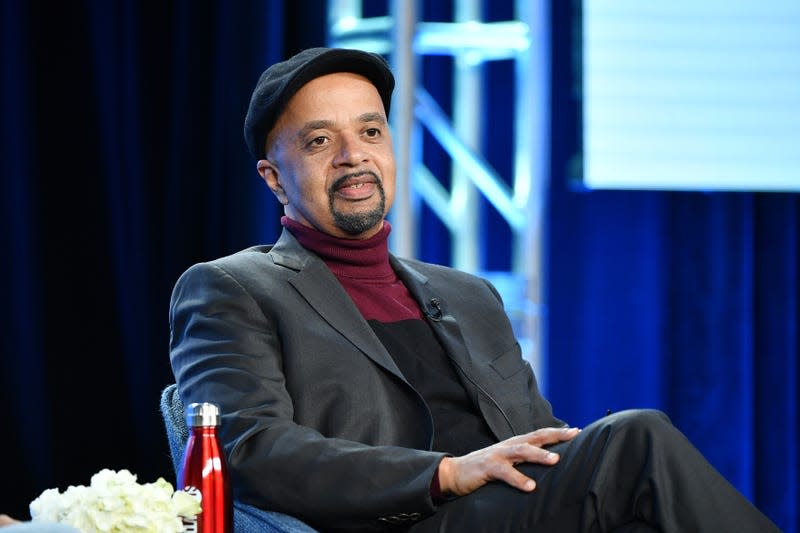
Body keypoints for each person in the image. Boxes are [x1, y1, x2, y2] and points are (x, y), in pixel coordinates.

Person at [168, 47, 781, 532]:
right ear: (274, 179)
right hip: (400, 519)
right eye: (320, 141)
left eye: (372, 132)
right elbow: (249, 452)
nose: (354, 156)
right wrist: (445, 474)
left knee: (640, 494)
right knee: (635, 439)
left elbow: (538, 437)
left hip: (510, 511)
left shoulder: (466, 294)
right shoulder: (231, 289)